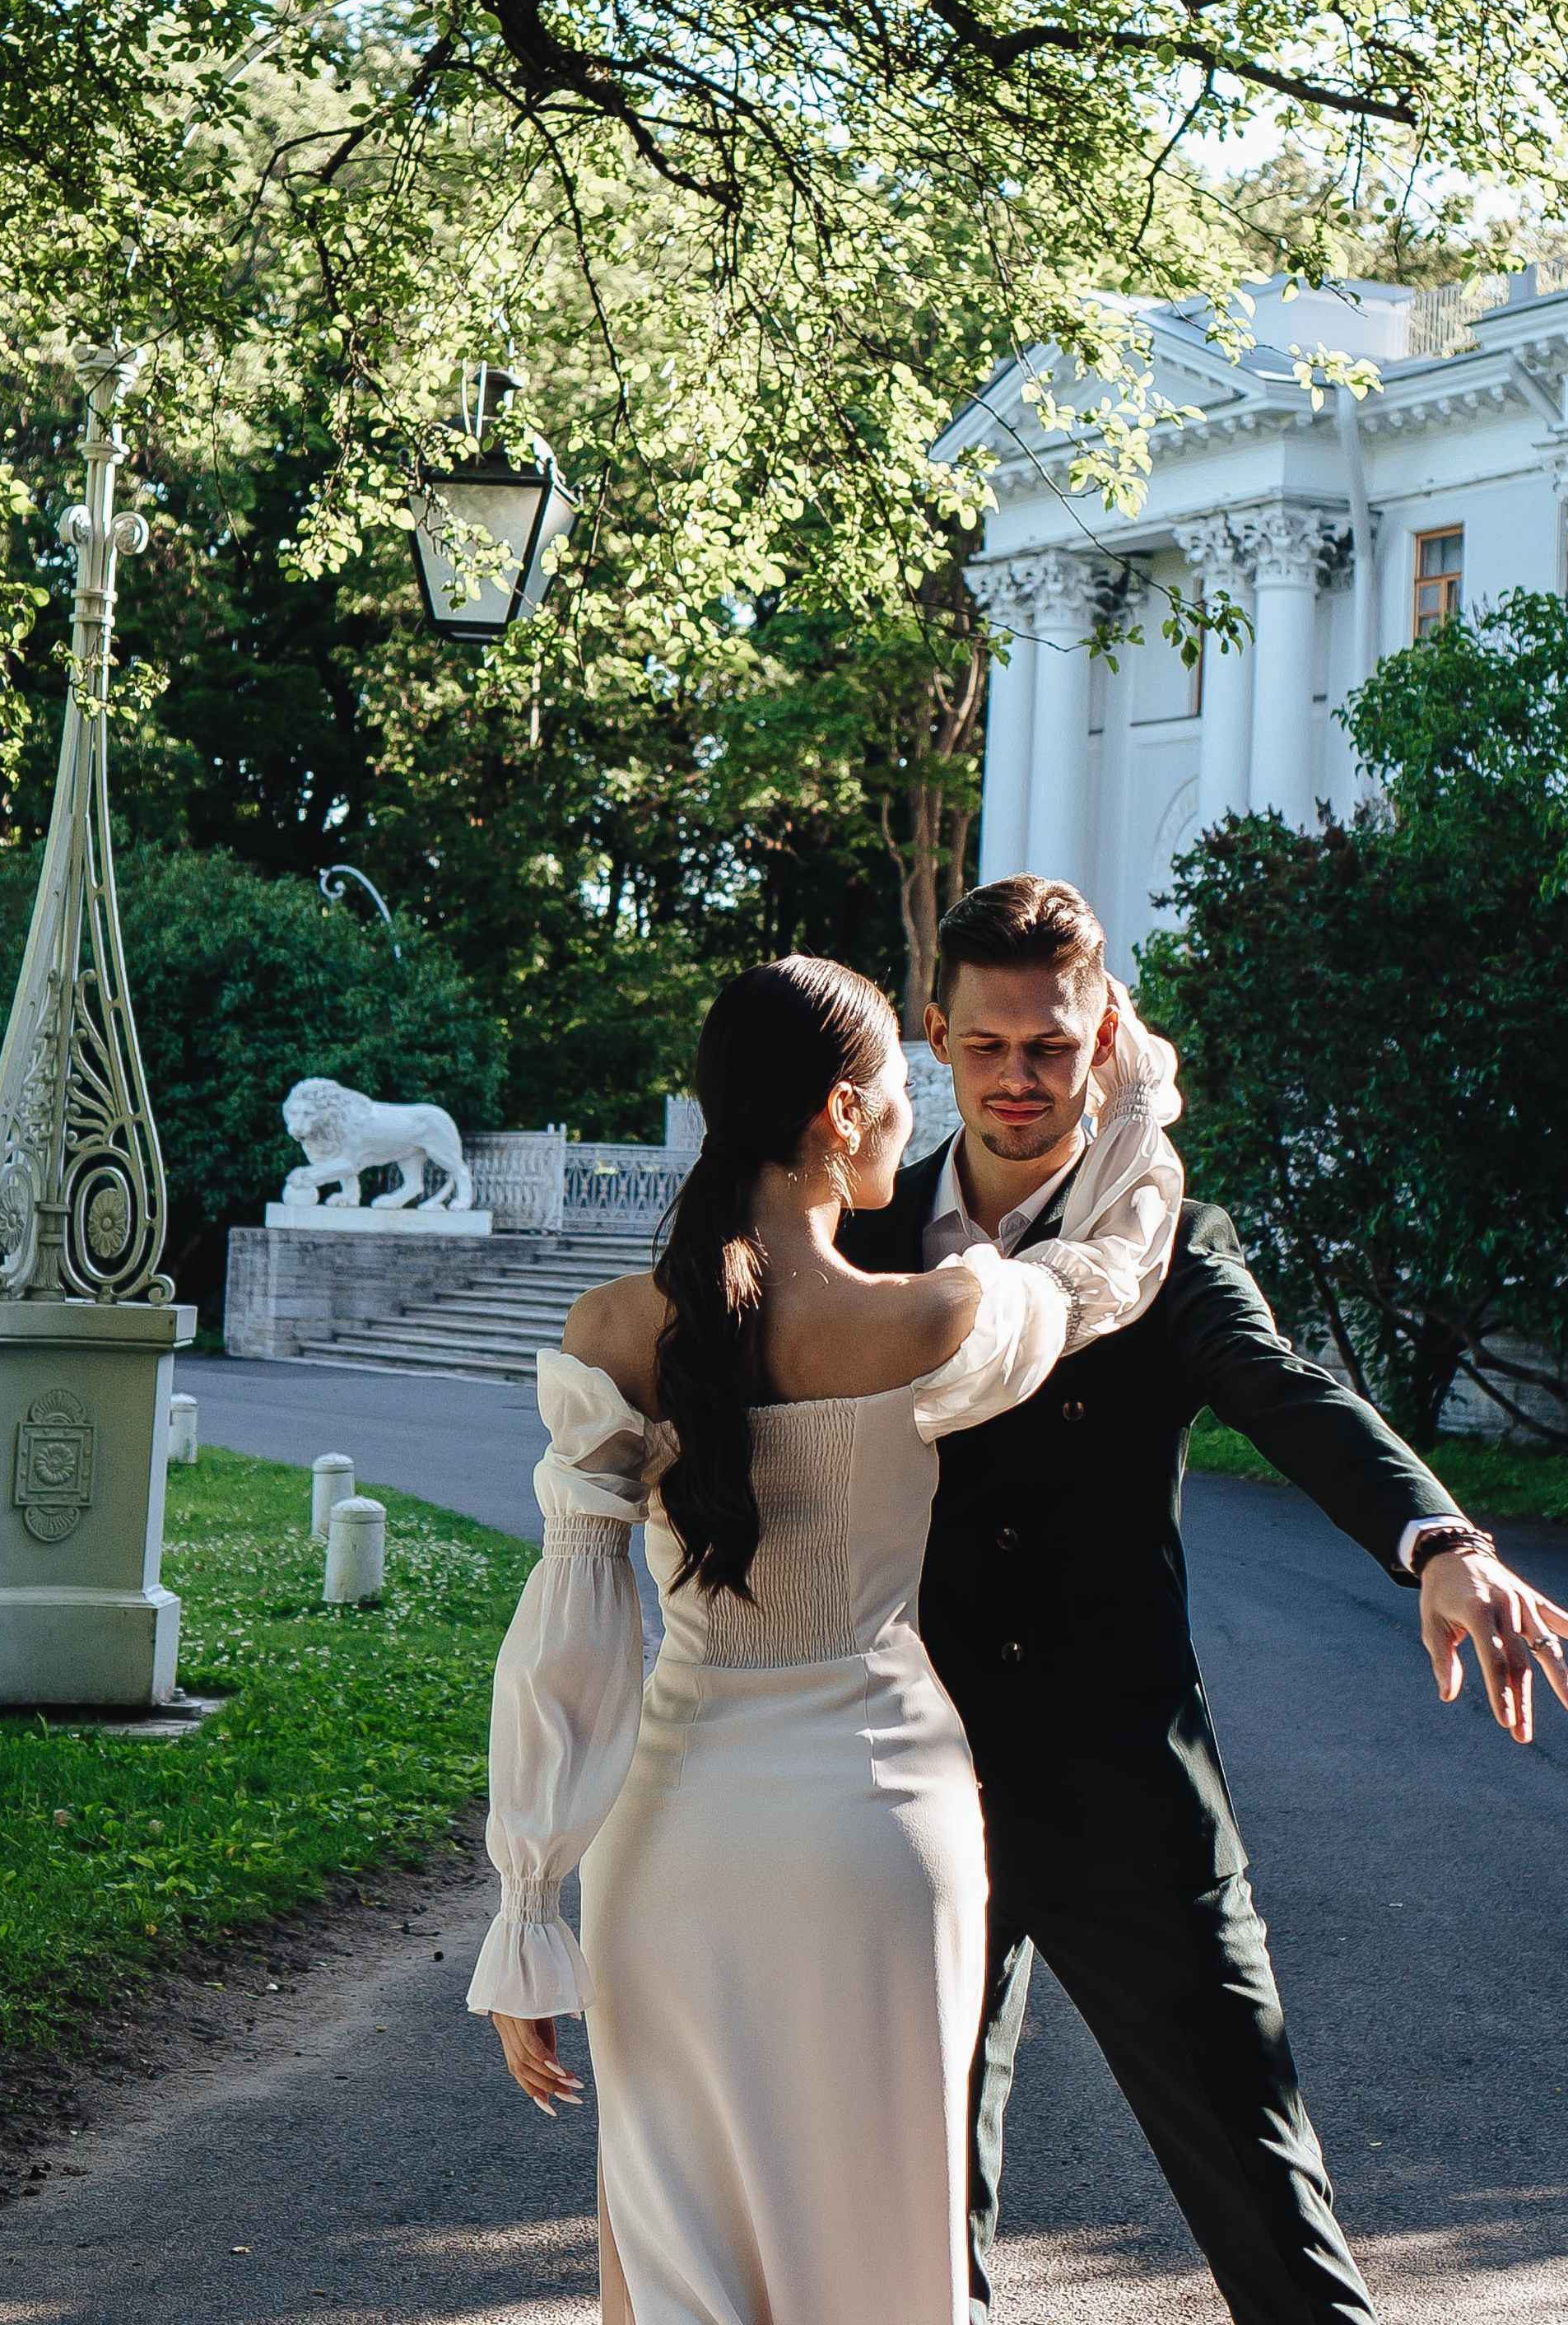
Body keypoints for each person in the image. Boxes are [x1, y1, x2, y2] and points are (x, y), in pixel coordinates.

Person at [838, 874, 1568, 2325]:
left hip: (1126, 1784)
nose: (1023, 1079)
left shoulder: (1164, 1237)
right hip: (910, 1778)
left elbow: (1289, 1390)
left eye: (1055, 1046)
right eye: (992, 1045)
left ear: (1110, 1035)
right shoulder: (864, 1246)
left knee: (1275, 2222)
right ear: (937, 1035)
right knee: (912, 2233)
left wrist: (1439, 1541)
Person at [468, 949, 1189, 2325]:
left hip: (669, 1848)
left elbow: (567, 1633)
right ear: (842, 1113)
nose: (921, 1116)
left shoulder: (614, 1330)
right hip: (882, 1826)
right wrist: (1136, 1090)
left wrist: (528, 1908)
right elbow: (1111, 1272)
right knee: (876, 2267)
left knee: (679, 2264)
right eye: (906, 1089)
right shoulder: (935, 1312)